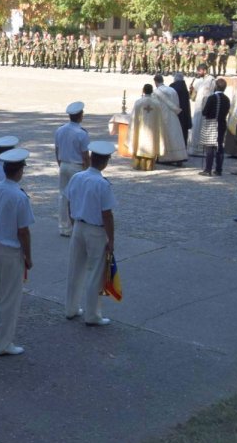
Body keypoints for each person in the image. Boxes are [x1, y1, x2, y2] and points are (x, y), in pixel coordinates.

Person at [0, 148, 35, 355]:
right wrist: (28, 256)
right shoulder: (19, 196)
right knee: (9, 299)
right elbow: (23, 231)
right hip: (10, 251)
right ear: (19, 171)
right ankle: (4, 343)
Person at [64, 140, 118, 326]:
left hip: (78, 226)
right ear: (105, 162)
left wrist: (73, 224)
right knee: (95, 272)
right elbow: (107, 214)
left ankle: (70, 308)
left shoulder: (77, 177)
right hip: (95, 230)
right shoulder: (103, 184)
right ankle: (92, 314)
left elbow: (69, 201)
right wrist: (111, 238)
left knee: (75, 269)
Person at [54, 103, 90, 237]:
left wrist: (60, 164)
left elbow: (57, 150)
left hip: (64, 164)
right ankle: (76, 226)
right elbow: (85, 155)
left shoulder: (60, 130)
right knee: (77, 196)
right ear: (80, 116)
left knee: (63, 196)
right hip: (77, 166)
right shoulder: (82, 133)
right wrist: (87, 169)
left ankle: (64, 227)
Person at [152, 74, 188, 166]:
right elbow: (176, 104)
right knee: (175, 136)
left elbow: (154, 106)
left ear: (155, 82)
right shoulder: (172, 90)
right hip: (173, 116)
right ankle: (179, 157)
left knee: (165, 137)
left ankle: (166, 157)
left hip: (163, 117)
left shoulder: (156, 92)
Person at [199, 79, 231, 176]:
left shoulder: (212, 98)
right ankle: (219, 169)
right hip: (222, 123)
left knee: (210, 146)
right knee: (219, 145)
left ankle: (208, 169)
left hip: (211, 123)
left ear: (216, 86)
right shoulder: (227, 99)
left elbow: (204, 112)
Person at [129, 84, 160, 170]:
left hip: (140, 129)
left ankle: (138, 164)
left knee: (139, 142)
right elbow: (160, 119)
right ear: (152, 91)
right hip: (152, 130)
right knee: (150, 144)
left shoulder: (139, 102)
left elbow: (133, 117)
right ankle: (149, 166)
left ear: (143, 91)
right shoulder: (156, 103)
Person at [188, 64, 216, 156]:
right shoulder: (199, 81)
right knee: (195, 127)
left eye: (199, 71)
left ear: (204, 71)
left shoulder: (211, 80)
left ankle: (201, 149)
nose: (198, 73)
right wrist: (192, 90)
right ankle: (194, 148)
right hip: (197, 108)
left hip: (204, 109)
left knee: (202, 127)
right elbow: (193, 97)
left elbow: (209, 95)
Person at [169, 73, 192, 148]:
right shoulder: (184, 87)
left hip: (176, 112)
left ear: (175, 79)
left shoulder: (173, 87)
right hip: (185, 113)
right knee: (184, 131)